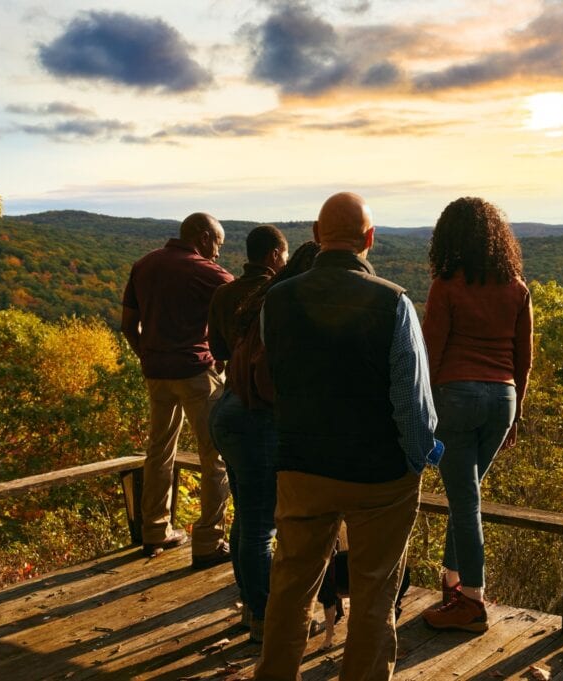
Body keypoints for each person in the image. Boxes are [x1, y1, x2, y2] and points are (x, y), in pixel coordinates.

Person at [254, 192, 442, 681]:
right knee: (374, 594)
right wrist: (419, 460)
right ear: (370, 239)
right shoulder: (393, 302)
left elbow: (274, 379)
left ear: (316, 237)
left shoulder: (276, 301)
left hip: (301, 466)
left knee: (290, 589)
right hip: (378, 477)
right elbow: (412, 403)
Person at [419, 197, 533, 633]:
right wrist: (516, 411)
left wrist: (422, 410)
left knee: (466, 502)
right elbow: (523, 357)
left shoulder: (447, 285)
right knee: (466, 497)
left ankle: (473, 601)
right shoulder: (517, 288)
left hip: (456, 397)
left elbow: (430, 355)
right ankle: (453, 584)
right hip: (502, 399)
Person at [209, 240, 320, 644]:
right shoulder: (294, 310)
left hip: (227, 411)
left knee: (247, 518)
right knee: (260, 526)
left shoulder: (263, 301)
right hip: (256, 419)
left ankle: (250, 606)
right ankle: (263, 616)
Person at [120, 212, 233, 568]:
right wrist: (226, 357)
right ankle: (209, 541)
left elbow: (127, 325)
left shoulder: (144, 265)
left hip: (157, 374)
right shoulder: (207, 272)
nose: (216, 253)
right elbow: (243, 301)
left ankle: (155, 530)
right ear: (202, 236)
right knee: (215, 457)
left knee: (159, 450)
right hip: (197, 373)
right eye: (216, 243)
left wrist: (147, 357)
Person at [208, 224, 288, 361]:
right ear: (275, 255)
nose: (285, 264)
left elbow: (218, 352)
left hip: (236, 379)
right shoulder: (281, 293)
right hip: (269, 380)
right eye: (285, 258)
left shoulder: (222, 293)